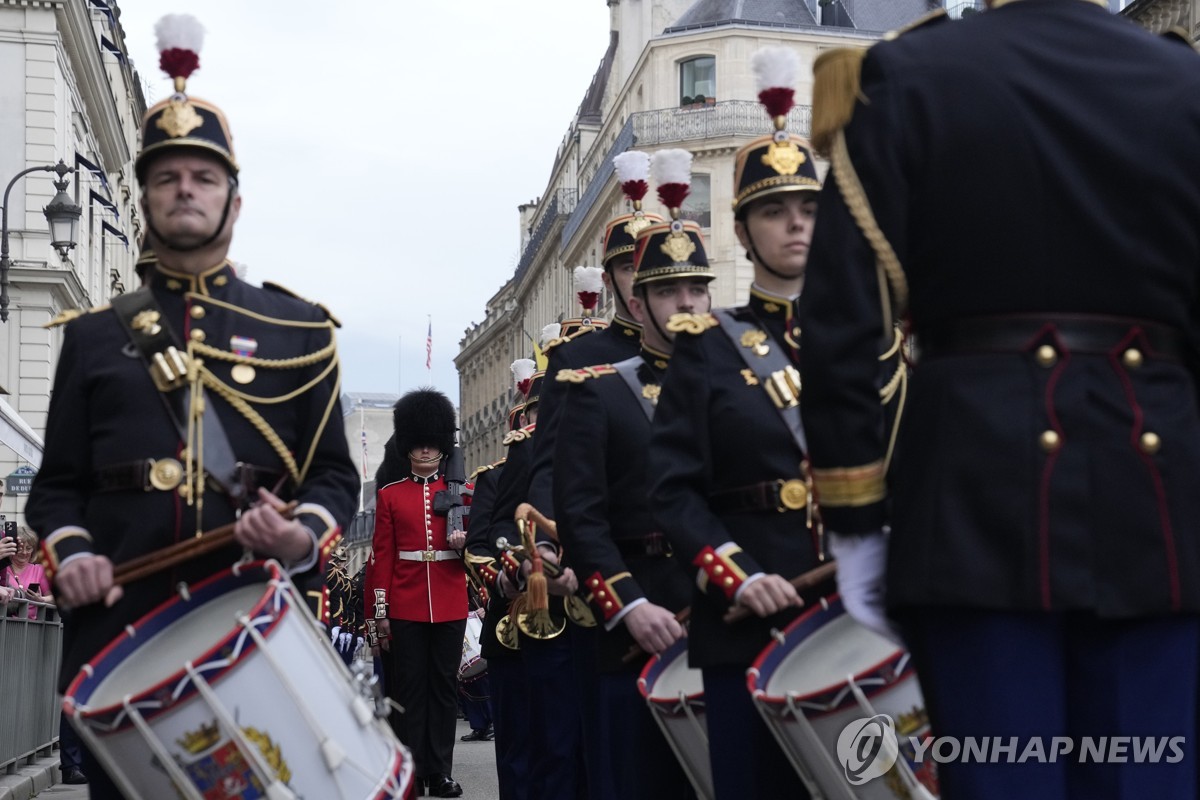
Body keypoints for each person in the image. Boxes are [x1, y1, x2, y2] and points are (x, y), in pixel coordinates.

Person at [799, 3, 1200, 798]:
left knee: (999, 777)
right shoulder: (1183, 82)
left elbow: (844, 318)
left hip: (972, 494)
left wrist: (854, 519)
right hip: (1159, 497)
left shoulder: (903, 75)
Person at [23, 15, 358, 798]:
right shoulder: (97, 337)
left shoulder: (298, 330)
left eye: (204, 178)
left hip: (253, 627)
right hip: (126, 637)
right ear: (143, 196)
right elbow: (56, 488)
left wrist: (298, 536)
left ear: (234, 202)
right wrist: (72, 555)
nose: (185, 190)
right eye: (168, 176)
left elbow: (335, 478)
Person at [647, 65, 828, 798]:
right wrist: (736, 572)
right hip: (747, 615)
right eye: (775, 209)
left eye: (808, 208)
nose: (795, 224)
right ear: (745, 229)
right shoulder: (706, 345)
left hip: (851, 606)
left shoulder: (861, 339)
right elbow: (674, 490)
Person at [553, 170, 715, 799]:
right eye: (668, 290)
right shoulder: (597, 391)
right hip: (639, 621)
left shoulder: (738, 384)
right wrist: (626, 606)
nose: (687, 303)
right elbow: (582, 521)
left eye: (697, 289)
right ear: (638, 302)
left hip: (723, 618)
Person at [365, 388, 469, 798]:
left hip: (449, 600)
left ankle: (439, 771)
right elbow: (381, 559)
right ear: (408, 447)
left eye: (432, 444)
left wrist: (466, 542)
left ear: (442, 447)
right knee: (409, 688)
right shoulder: (391, 495)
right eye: (419, 444)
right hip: (406, 603)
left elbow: (477, 552)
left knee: (444, 688)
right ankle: (412, 769)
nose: (426, 451)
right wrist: (380, 612)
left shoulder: (462, 492)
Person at [464, 395, 533, 800]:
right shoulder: (495, 477)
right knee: (517, 743)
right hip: (512, 621)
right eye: (537, 413)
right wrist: (504, 576)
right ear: (523, 419)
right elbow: (478, 548)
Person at [2, 527, 51, 618]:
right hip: (5, 623)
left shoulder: (39, 570)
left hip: (30, 627)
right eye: (20, 548)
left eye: (28, 548)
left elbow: (55, 597)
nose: (24, 552)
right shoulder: (2, 567)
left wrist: (41, 599)